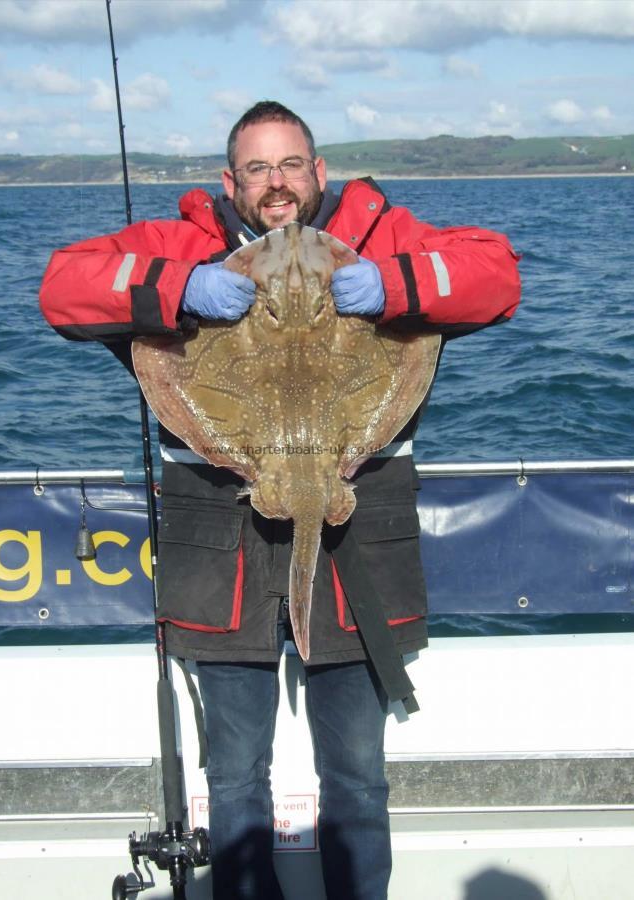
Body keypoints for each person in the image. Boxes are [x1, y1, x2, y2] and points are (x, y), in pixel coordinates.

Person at [40, 101, 521, 900]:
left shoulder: (378, 236)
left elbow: (496, 274)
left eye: (290, 164)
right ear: (230, 181)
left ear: (317, 172)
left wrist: (390, 284)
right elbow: (62, 286)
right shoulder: (180, 245)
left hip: (356, 530)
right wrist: (180, 287)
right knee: (232, 777)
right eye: (258, 168)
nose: (276, 184)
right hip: (218, 534)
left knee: (358, 777)